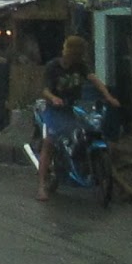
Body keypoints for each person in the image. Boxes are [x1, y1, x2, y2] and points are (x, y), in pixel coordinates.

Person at [35, 35, 122, 201]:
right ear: (66, 51)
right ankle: (41, 187)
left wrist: (108, 96)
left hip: (70, 109)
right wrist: (53, 98)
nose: (74, 58)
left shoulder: (80, 66)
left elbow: (94, 80)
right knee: (50, 143)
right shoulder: (53, 66)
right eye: (72, 54)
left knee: (87, 134)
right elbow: (44, 90)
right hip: (52, 109)